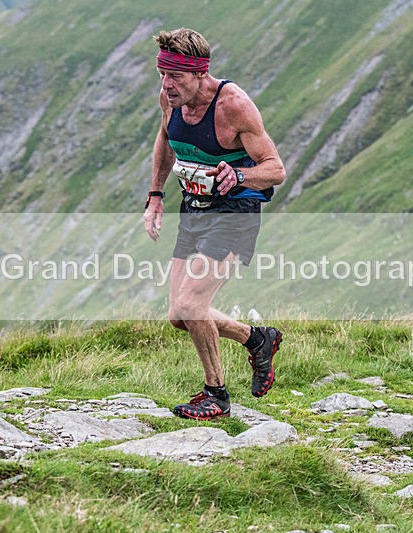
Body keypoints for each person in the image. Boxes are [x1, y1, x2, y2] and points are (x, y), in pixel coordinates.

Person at [143, 28, 286, 420]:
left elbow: (276, 170)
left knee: (192, 304)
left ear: (200, 73)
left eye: (175, 77)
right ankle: (257, 338)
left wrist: (239, 177)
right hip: (193, 211)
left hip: (233, 215)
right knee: (178, 315)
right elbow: (165, 139)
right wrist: (155, 195)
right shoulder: (169, 100)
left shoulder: (234, 107)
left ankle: (216, 395)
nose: (166, 85)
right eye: (161, 74)